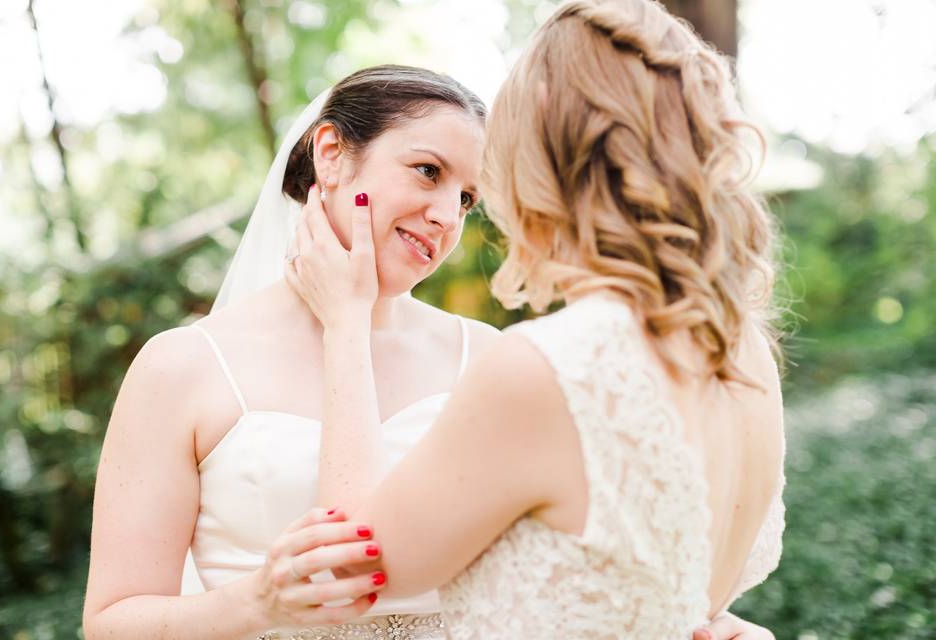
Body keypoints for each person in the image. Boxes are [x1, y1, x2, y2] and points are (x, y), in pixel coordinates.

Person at [83, 60, 773, 640]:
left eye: (469, 196)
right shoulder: (182, 367)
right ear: (330, 154)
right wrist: (257, 601)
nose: (447, 215)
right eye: (426, 171)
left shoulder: (493, 355)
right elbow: (110, 620)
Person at [284, 0, 785, 638]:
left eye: (474, 187)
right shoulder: (743, 355)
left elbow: (351, 563)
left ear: (542, 151)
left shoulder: (548, 367)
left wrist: (346, 321)